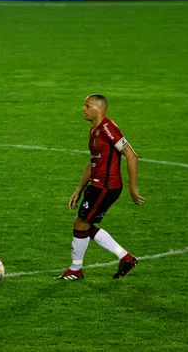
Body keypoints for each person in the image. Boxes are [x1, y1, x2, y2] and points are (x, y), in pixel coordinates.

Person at [56, 94, 145, 281]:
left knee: (81, 223)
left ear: (99, 109)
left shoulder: (108, 128)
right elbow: (93, 162)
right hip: (97, 185)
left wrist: (133, 187)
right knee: (84, 224)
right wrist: (78, 189)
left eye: (87, 106)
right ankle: (125, 258)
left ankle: (76, 270)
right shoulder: (94, 130)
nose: (83, 109)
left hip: (106, 186)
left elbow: (131, 155)